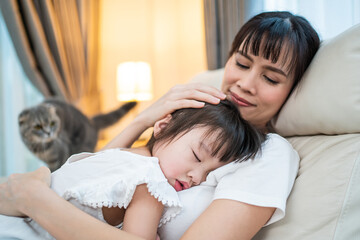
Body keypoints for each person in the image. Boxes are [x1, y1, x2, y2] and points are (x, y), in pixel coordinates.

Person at [0, 11, 320, 240]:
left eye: (270, 78)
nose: (246, 84)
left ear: (292, 90)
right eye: (242, 63)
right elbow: (102, 174)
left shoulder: (269, 153)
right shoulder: (197, 116)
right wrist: (143, 120)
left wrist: (34, 199)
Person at [0, 100, 265, 240]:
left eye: (209, 174)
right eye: (197, 156)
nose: (197, 177)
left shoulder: (117, 154)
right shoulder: (151, 181)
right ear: (161, 127)